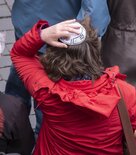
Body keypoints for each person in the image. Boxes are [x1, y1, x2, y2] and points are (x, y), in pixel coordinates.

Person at [10, 18, 136, 154]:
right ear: (94, 50)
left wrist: (42, 34)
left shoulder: (47, 91)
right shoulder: (124, 92)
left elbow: (19, 54)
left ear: (54, 56)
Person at [6, 0, 110, 135]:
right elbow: (95, 15)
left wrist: (39, 36)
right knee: (47, 110)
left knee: (17, 91)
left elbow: (19, 54)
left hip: (28, 25)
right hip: (62, 44)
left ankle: (10, 133)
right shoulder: (122, 91)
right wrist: (78, 41)